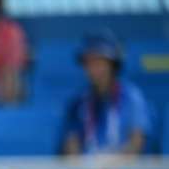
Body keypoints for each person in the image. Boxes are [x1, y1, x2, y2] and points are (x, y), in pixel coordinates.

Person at [61, 30, 152, 158]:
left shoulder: (132, 96)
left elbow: (137, 142)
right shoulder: (78, 101)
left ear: (114, 65)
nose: (93, 69)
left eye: (99, 63)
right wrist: (84, 167)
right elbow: (71, 145)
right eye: (88, 63)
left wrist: (113, 165)